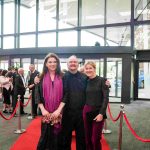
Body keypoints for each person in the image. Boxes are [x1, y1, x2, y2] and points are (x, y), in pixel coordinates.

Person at [37, 53, 63, 150]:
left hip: (60, 113)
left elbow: (66, 95)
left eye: (55, 62)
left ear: (58, 63)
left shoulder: (63, 77)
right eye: (50, 62)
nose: (52, 64)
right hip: (46, 113)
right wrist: (43, 110)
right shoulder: (40, 78)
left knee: (58, 138)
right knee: (45, 137)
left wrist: (58, 110)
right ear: (46, 64)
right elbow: (37, 95)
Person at [83, 61, 109, 150]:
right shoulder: (85, 80)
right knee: (87, 137)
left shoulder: (102, 80)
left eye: (90, 68)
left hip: (98, 111)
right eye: (86, 68)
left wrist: (101, 113)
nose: (88, 70)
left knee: (95, 138)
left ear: (94, 69)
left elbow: (106, 98)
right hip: (86, 111)